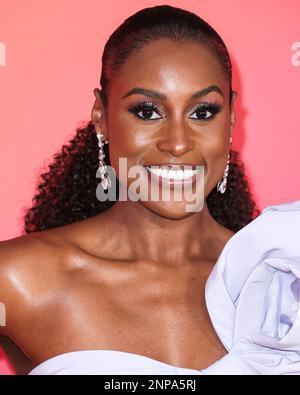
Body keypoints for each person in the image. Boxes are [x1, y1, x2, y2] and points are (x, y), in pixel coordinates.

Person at [1, 5, 298, 375]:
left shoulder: (282, 281)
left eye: (203, 112)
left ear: (232, 119)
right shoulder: (17, 280)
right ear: (101, 118)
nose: (177, 143)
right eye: (147, 111)